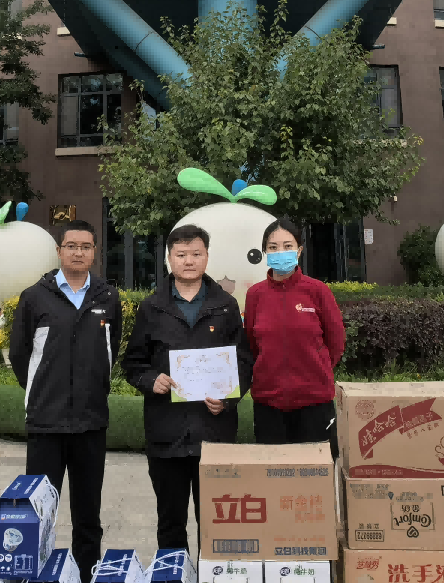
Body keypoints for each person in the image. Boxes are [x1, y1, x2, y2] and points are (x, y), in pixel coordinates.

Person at [122, 222, 252, 554]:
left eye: (196, 253)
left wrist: (227, 399)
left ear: (207, 257)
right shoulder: (152, 307)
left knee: (216, 522)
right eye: (181, 255)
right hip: (167, 434)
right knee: (170, 523)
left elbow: (243, 362)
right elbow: (133, 363)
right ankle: (173, 582)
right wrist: (151, 380)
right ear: (169, 258)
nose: (189, 261)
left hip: (215, 431)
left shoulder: (226, 306)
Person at [10, 219, 121, 580]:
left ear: (94, 253)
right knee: (39, 512)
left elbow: (111, 351)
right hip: (46, 422)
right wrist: (44, 391)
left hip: (91, 422)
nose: (78, 252)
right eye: (71, 246)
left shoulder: (107, 297)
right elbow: (20, 354)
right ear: (59, 251)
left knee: (88, 515)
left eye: (85, 247)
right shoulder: (34, 297)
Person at [241, 216, 346, 455]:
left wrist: (316, 368)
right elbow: (252, 344)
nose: (280, 252)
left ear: (299, 250)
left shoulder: (317, 291)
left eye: (287, 246)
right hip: (269, 403)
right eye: (273, 247)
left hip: (315, 401)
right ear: (265, 252)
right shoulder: (255, 294)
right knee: (273, 472)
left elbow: (336, 341)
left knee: (317, 472)